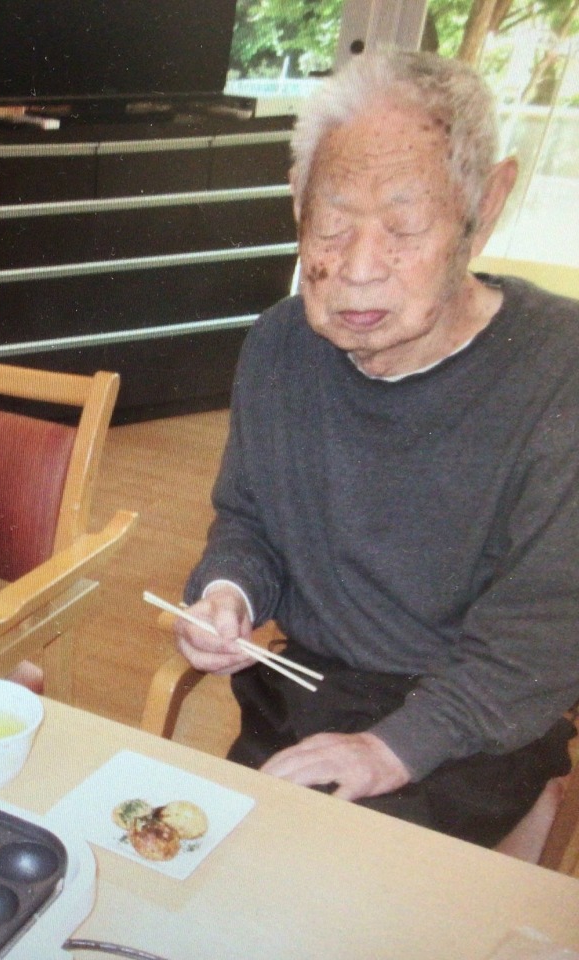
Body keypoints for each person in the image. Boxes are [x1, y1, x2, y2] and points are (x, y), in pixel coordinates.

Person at [172, 50, 579, 849]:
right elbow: (248, 521)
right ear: (296, 204)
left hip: (474, 723)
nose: (357, 270)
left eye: (403, 227)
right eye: (330, 224)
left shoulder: (559, 373)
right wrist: (229, 594)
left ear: (485, 205)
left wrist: (391, 749)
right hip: (304, 694)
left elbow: (541, 638)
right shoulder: (281, 347)